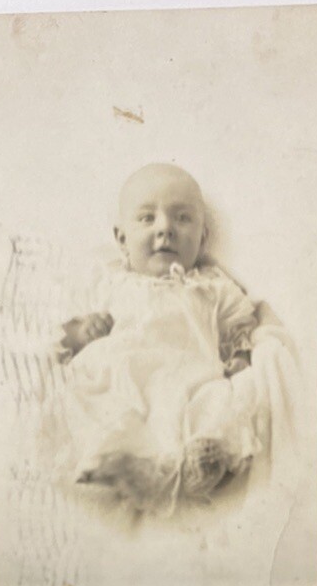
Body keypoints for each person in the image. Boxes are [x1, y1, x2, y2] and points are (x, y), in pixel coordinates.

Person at [58, 162, 266, 515]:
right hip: (123, 371)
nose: (165, 229)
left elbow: (241, 324)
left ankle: (201, 461)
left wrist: (239, 356)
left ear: (202, 239)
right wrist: (83, 331)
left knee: (221, 398)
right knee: (91, 393)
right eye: (147, 219)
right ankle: (123, 465)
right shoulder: (109, 281)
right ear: (122, 239)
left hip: (191, 374)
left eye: (182, 218)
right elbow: (63, 332)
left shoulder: (212, 286)